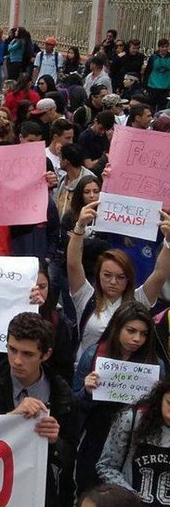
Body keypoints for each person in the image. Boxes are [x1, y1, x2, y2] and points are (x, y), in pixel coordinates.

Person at [0, 312, 75, 506]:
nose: (17, 360)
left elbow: (71, 454)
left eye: (27, 354)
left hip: (39, 488)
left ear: (45, 354)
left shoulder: (61, 391)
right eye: (12, 349)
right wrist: (10, 419)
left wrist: (55, 440)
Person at [74, 302, 164, 494]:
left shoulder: (156, 365)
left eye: (144, 333)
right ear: (117, 327)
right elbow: (73, 404)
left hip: (136, 445)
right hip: (96, 438)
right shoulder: (92, 355)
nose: (137, 339)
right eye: (131, 331)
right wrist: (86, 391)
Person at [68, 202, 170, 361]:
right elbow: (73, 264)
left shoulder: (138, 300)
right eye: (107, 275)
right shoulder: (86, 297)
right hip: (86, 374)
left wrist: (168, 242)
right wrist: (79, 227)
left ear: (129, 278)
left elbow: (160, 273)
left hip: (128, 378)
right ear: (98, 275)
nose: (113, 282)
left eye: (120, 277)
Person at [97, 379, 170, 505]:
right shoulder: (132, 419)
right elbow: (107, 466)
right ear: (160, 398)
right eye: (169, 403)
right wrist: (131, 497)